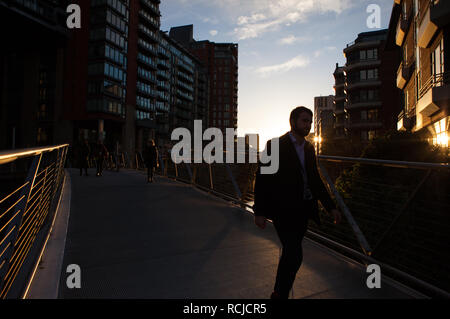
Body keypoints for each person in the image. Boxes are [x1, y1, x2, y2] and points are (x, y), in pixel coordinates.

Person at [253, 106, 342, 299]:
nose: (308, 125)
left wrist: (330, 207)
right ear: (293, 122)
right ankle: (279, 294)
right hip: (282, 209)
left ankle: (279, 292)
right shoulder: (275, 145)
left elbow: (315, 179)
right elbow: (263, 178)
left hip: (303, 209)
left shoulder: (309, 148)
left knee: (292, 252)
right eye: (304, 121)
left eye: (310, 121)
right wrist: (259, 211)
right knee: (294, 252)